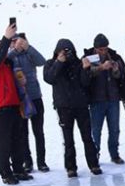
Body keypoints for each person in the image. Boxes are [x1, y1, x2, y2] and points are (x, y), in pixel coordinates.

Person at [43, 38, 102, 178]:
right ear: (57, 52)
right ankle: (71, 167)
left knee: (87, 137)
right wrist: (59, 62)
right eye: (63, 51)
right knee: (68, 139)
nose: (67, 54)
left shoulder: (78, 63)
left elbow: (85, 83)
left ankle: (94, 164)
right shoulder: (51, 63)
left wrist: (86, 69)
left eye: (69, 51)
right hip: (63, 107)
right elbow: (49, 78)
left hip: (80, 105)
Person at [0, 25, 32, 185]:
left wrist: (21, 82)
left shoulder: (8, 63)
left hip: (13, 105)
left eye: (0, 44)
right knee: (4, 141)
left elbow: (11, 55)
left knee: (17, 139)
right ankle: (5, 173)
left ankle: (18, 168)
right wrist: (5, 38)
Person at [83, 33, 125, 165]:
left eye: (105, 48)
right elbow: (85, 76)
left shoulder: (114, 56)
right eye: (101, 49)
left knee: (114, 129)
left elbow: (121, 77)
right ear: (95, 48)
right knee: (96, 130)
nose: (103, 51)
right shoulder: (88, 58)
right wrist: (101, 67)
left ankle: (114, 154)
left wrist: (116, 70)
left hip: (113, 98)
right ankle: (95, 154)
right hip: (96, 100)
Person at [7, 34, 48, 172]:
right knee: (22, 133)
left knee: (39, 132)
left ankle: (41, 162)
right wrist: (14, 50)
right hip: (19, 100)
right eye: (13, 41)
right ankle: (27, 162)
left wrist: (28, 47)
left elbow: (42, 61)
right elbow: (3, 62)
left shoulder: (29, 53)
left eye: (18, 41)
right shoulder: (9, 56)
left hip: (35, 96)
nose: (16, 44)